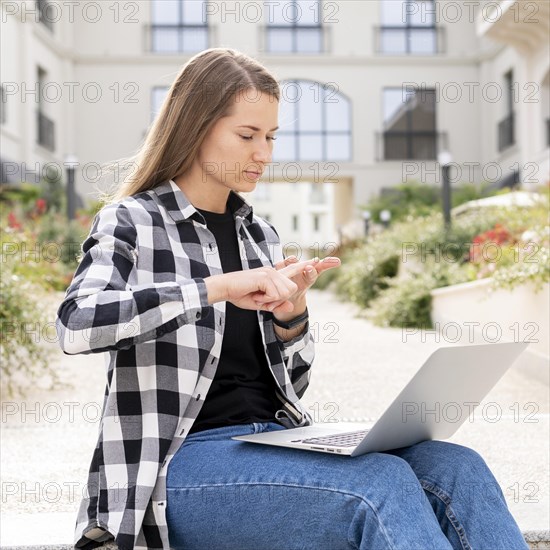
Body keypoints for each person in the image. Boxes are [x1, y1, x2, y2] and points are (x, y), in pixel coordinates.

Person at [55, 48, 528, 550]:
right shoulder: (132, 221)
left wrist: (290, 319)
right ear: (194, 127)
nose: (264, 153)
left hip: (274, 440)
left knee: (457, 467)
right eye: (247, 135)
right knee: (377, 486)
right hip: (177, 466)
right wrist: (216, 288)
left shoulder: (259, 235)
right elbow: (77, 323)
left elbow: (292, 386)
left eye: (271, 136)